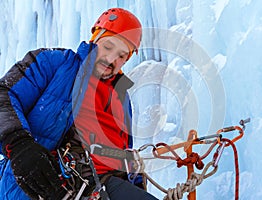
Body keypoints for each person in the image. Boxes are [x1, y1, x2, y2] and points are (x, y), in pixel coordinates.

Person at [0, 7, 158, 200]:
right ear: (95, 38)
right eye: (108, 47)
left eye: (122, 56)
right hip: (44, 184)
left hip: (103, 186)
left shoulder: (122, 99)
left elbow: (119, 155)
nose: (111, 59)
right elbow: (4, 94)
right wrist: (19, 145)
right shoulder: (53, 63)